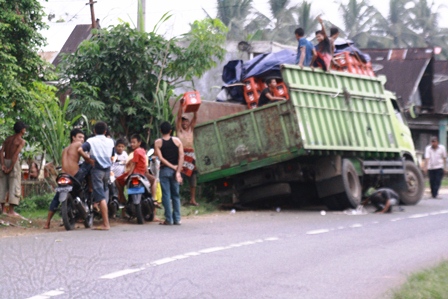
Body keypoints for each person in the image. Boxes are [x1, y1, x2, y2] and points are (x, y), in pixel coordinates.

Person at [44, 129, 89, 229]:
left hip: (63, 176)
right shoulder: (78, 145)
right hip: (74, 175)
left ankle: (47, 223)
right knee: (88, 166)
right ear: (73, 137)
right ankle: (87, 199)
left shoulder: (65, 150)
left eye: (83, 138)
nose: (82, 140)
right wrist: (89, 159)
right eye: (79, 137)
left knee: (56, 198)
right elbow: (85, 156)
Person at [78, 121, 115, 230]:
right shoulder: (110, 141)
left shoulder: (91, 141)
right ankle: (100, 211)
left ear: (94, 131)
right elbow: (112, 155)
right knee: (104, 193)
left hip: (97, 170)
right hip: (107, 171)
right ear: (105, 131)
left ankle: (106, 224)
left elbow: (80, 150)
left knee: (100, 196)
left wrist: (87, 159)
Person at [115, 135, 157, 208]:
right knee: (154, 180)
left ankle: (122, 198)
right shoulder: (142, 151)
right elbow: (140, 163)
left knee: (117, 181)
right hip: (142, 174)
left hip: (135, 173)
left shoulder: (136, 152)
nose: (132, 144)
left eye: (134, 142)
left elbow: (134, 165)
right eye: (131, 142)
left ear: (139, 143)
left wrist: (128, 175)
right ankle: (153, 198)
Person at [155, 122, 184, 225]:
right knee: (176, 195)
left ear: (161, 131)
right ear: (171, 131)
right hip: (176, 170)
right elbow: (181, 156)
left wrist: (171, 167)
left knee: (166, 195)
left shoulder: (158, 142)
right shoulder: (177, 141)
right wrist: (178, 171)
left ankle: (169, 219)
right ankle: (177, 219)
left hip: (164, 171)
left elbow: (161, 158)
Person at [0, 121, 27, 216]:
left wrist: (3, 164)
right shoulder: (21, 141)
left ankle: (2, 210)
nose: (25, 130)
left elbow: (1, 151)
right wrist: (11, 167)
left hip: (5, 161)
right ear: (22, 130)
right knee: (14, 184)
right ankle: (11, 211)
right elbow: (15, 155)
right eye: (25, 128)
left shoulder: (8, 139)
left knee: (2, 185)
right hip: (13, 162)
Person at [176, 100, 200, 206]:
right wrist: (181, 106)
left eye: (186, 121)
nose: (184, 123)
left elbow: (195, 118)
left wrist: (195, 109)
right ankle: (177, 198)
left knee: (193, 177)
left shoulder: (190, 130)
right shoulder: (179, 130)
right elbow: (178, 117)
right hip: (182, 155)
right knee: (179, 177)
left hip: (191, 154)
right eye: (183, 121)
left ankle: (192, 199)